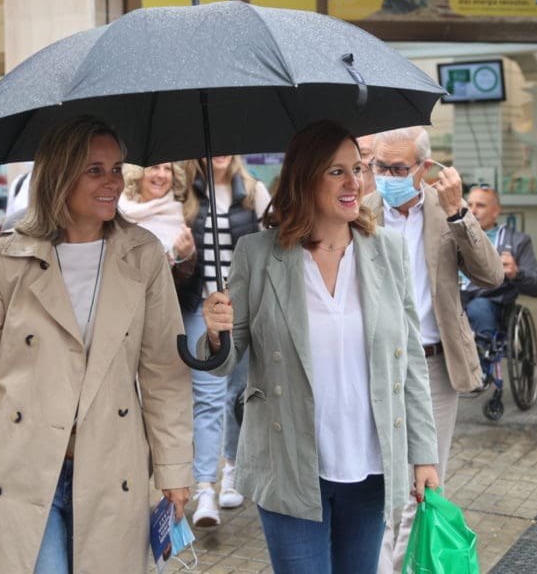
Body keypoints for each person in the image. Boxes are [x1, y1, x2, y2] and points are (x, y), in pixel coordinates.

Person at [0, 116, 194, 573]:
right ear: (59, 174)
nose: (112, 182)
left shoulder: (143, 255)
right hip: (21, 469)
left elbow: (163, 374)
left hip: (112, 468)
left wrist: (174, 470)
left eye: (116, 169)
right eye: (95, 170)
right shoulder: (5, 256)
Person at [201, 120, 439, 574]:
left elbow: (409, 360)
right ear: (304, 178)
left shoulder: (386, 250)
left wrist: (424, 454)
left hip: (369, 465)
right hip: (288, 463)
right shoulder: (257, 254)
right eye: (336, 172)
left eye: (358, 168)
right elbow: (226, 361)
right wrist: (216, 332)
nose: (355, 183)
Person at [364, 126, 502, 574]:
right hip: (374, 364)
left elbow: (491, 275)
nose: (386, 176)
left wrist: (460, 211)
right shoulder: (361, 212)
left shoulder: (446, 210)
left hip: (433, 364)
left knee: (422, 485)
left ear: (424, 168)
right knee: (377, 483)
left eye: (397, 168)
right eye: (379, 167)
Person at [179, 155, 270, 526]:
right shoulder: (185, 195)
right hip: (199, 309)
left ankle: (232, 468)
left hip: (243, 310)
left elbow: (272, 243)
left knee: (238, 395)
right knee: (208, 397)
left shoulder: (253, 192)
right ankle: (205, 487)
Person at [461, 184, 537, 339]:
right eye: (469, 205)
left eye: (480, 206)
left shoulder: (517, 241)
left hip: (487, 301)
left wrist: (516, 273)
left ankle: (482, 353)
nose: (473, 211)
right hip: (453, 298)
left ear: (496, 211)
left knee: (478, 309)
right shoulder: (454, 235)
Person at [118, 162, 196, 266]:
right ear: (138, 172)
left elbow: (184, 275)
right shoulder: (117, 210)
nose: (161, 175)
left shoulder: (179, 217)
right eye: (155, 167)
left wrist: (186, 255)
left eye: (167, 169)